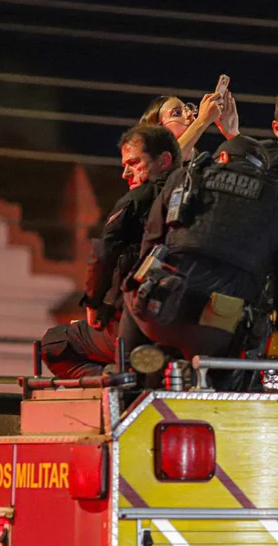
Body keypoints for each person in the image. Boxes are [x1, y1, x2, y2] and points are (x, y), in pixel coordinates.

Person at [122, 125, 278, 376]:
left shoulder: (187, 175)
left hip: (153, 314)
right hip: (215, 329)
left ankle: (128, 379)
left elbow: (149, 249)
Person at [41, 125, 180, 378]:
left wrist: (93, 303)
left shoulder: (139, 198)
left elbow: (104, 252)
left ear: (164, 160)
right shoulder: (197, 198)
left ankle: (113, 381)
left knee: (55, 344)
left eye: (134, 163)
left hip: (135, 324)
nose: (125, 173)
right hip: (187, 328)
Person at [141, 78, 239, 161]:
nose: (190, 114)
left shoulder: (207, 166)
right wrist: (203, 119)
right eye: (177, 113)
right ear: (158, 129)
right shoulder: (155, 168)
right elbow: (173, 160)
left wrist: (233, 134)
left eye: (189, 109)